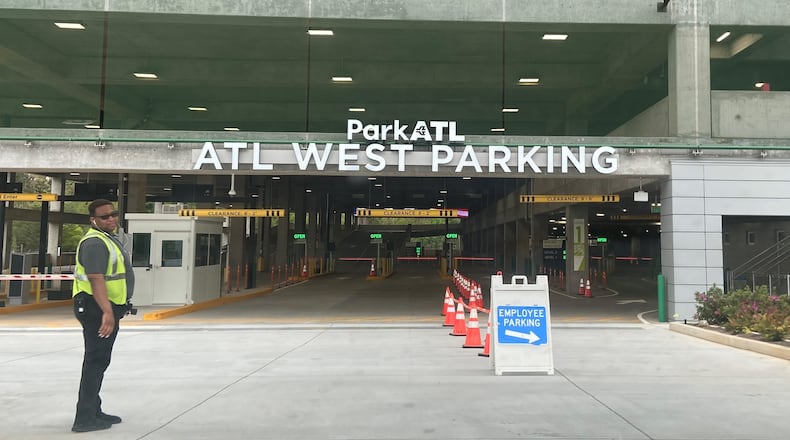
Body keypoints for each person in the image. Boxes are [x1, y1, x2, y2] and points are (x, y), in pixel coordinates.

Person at [71, 199, 135, 433]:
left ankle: (93, 409)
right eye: (104, 216)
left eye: (113, 214)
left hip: (102, 307)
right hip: (96, 308)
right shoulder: (95, 243)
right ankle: (85, 419)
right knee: (95, 362)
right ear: (93, 220)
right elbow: (96, 279)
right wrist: (108, 312)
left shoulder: (107, 239)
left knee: (99, 361)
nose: (111, 219)